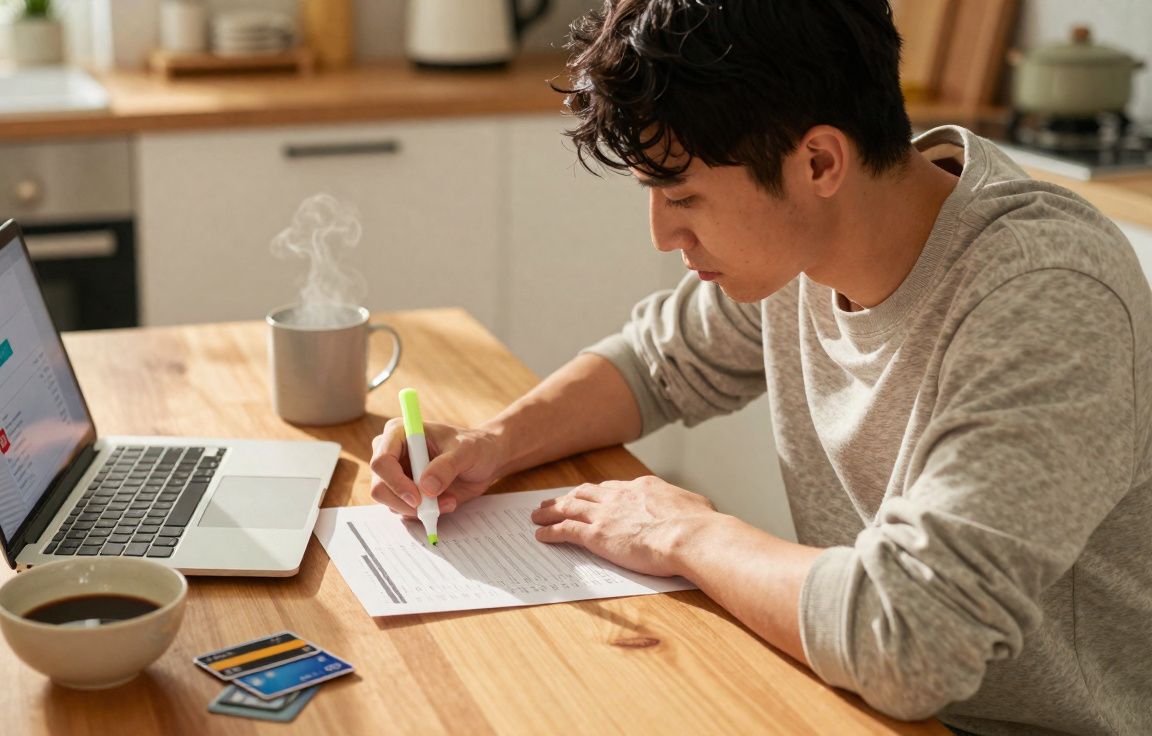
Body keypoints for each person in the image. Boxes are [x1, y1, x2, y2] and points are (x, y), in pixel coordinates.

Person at [368, 1, 1152, 733]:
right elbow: (656, 363)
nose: (661, 237)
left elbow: (911, 637)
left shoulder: (1045, 298)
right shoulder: (812, 241)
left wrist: (689, 535)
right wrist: (493, 441)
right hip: (865, 704)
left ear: (818, 162)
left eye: (681, 195)